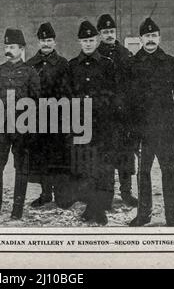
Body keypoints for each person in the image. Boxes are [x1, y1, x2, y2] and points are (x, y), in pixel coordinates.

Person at [128, 17, 174, 227]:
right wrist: (131, 130)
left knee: (168, 171)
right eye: (146, 36)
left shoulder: (169, 62)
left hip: (166, 129)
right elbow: (128, 100)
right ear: (140, 39)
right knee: (143, 173)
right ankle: (144, 215)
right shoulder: (132, 64)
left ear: (159, 38)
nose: (150, 40)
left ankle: (171, 217)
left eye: (154, 36)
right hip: (142, 130)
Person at [0, 28, 40, 219]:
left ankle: (17, 207)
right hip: (0, 127)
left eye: (12, 47)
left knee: (21, 167)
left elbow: (37, 102)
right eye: (6, 46)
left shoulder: (30, 73)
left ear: (21, 48)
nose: (8, 50)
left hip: (22, 128)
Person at [68, 20, 118, 225]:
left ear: (97, 40)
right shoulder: (72, 66)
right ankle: (90, 205)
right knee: (85, 166)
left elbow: (115, 94)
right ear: (79, 42)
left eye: (91, 40)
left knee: (104, 167)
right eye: (84, 40)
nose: (88, 44)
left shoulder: (107, 64)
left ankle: (100, 208)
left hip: (103, 125)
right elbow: (68, 95)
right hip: (81, 125)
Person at [26, 22, 74, 209]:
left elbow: (69, 93)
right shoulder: (31, 64)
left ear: (54, 42)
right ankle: (45, 194)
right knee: (42, 157)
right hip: (39, 120)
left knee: (59, 157)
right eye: (42, 40)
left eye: (49, 40)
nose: (46, 44)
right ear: (38, 42)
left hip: (59, 118)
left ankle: (61, 194)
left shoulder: (63, 64)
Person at [96, 13, 138, 208]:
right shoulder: (96, 56)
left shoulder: (125, 54)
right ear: (99, 34)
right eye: (105, 32)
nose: (109, 35)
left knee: (125, 155)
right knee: (106, 156)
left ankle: (127, 193)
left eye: (112, 31)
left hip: (124, 116)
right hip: (105, 116)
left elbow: (132, 85)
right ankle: (107, 194)